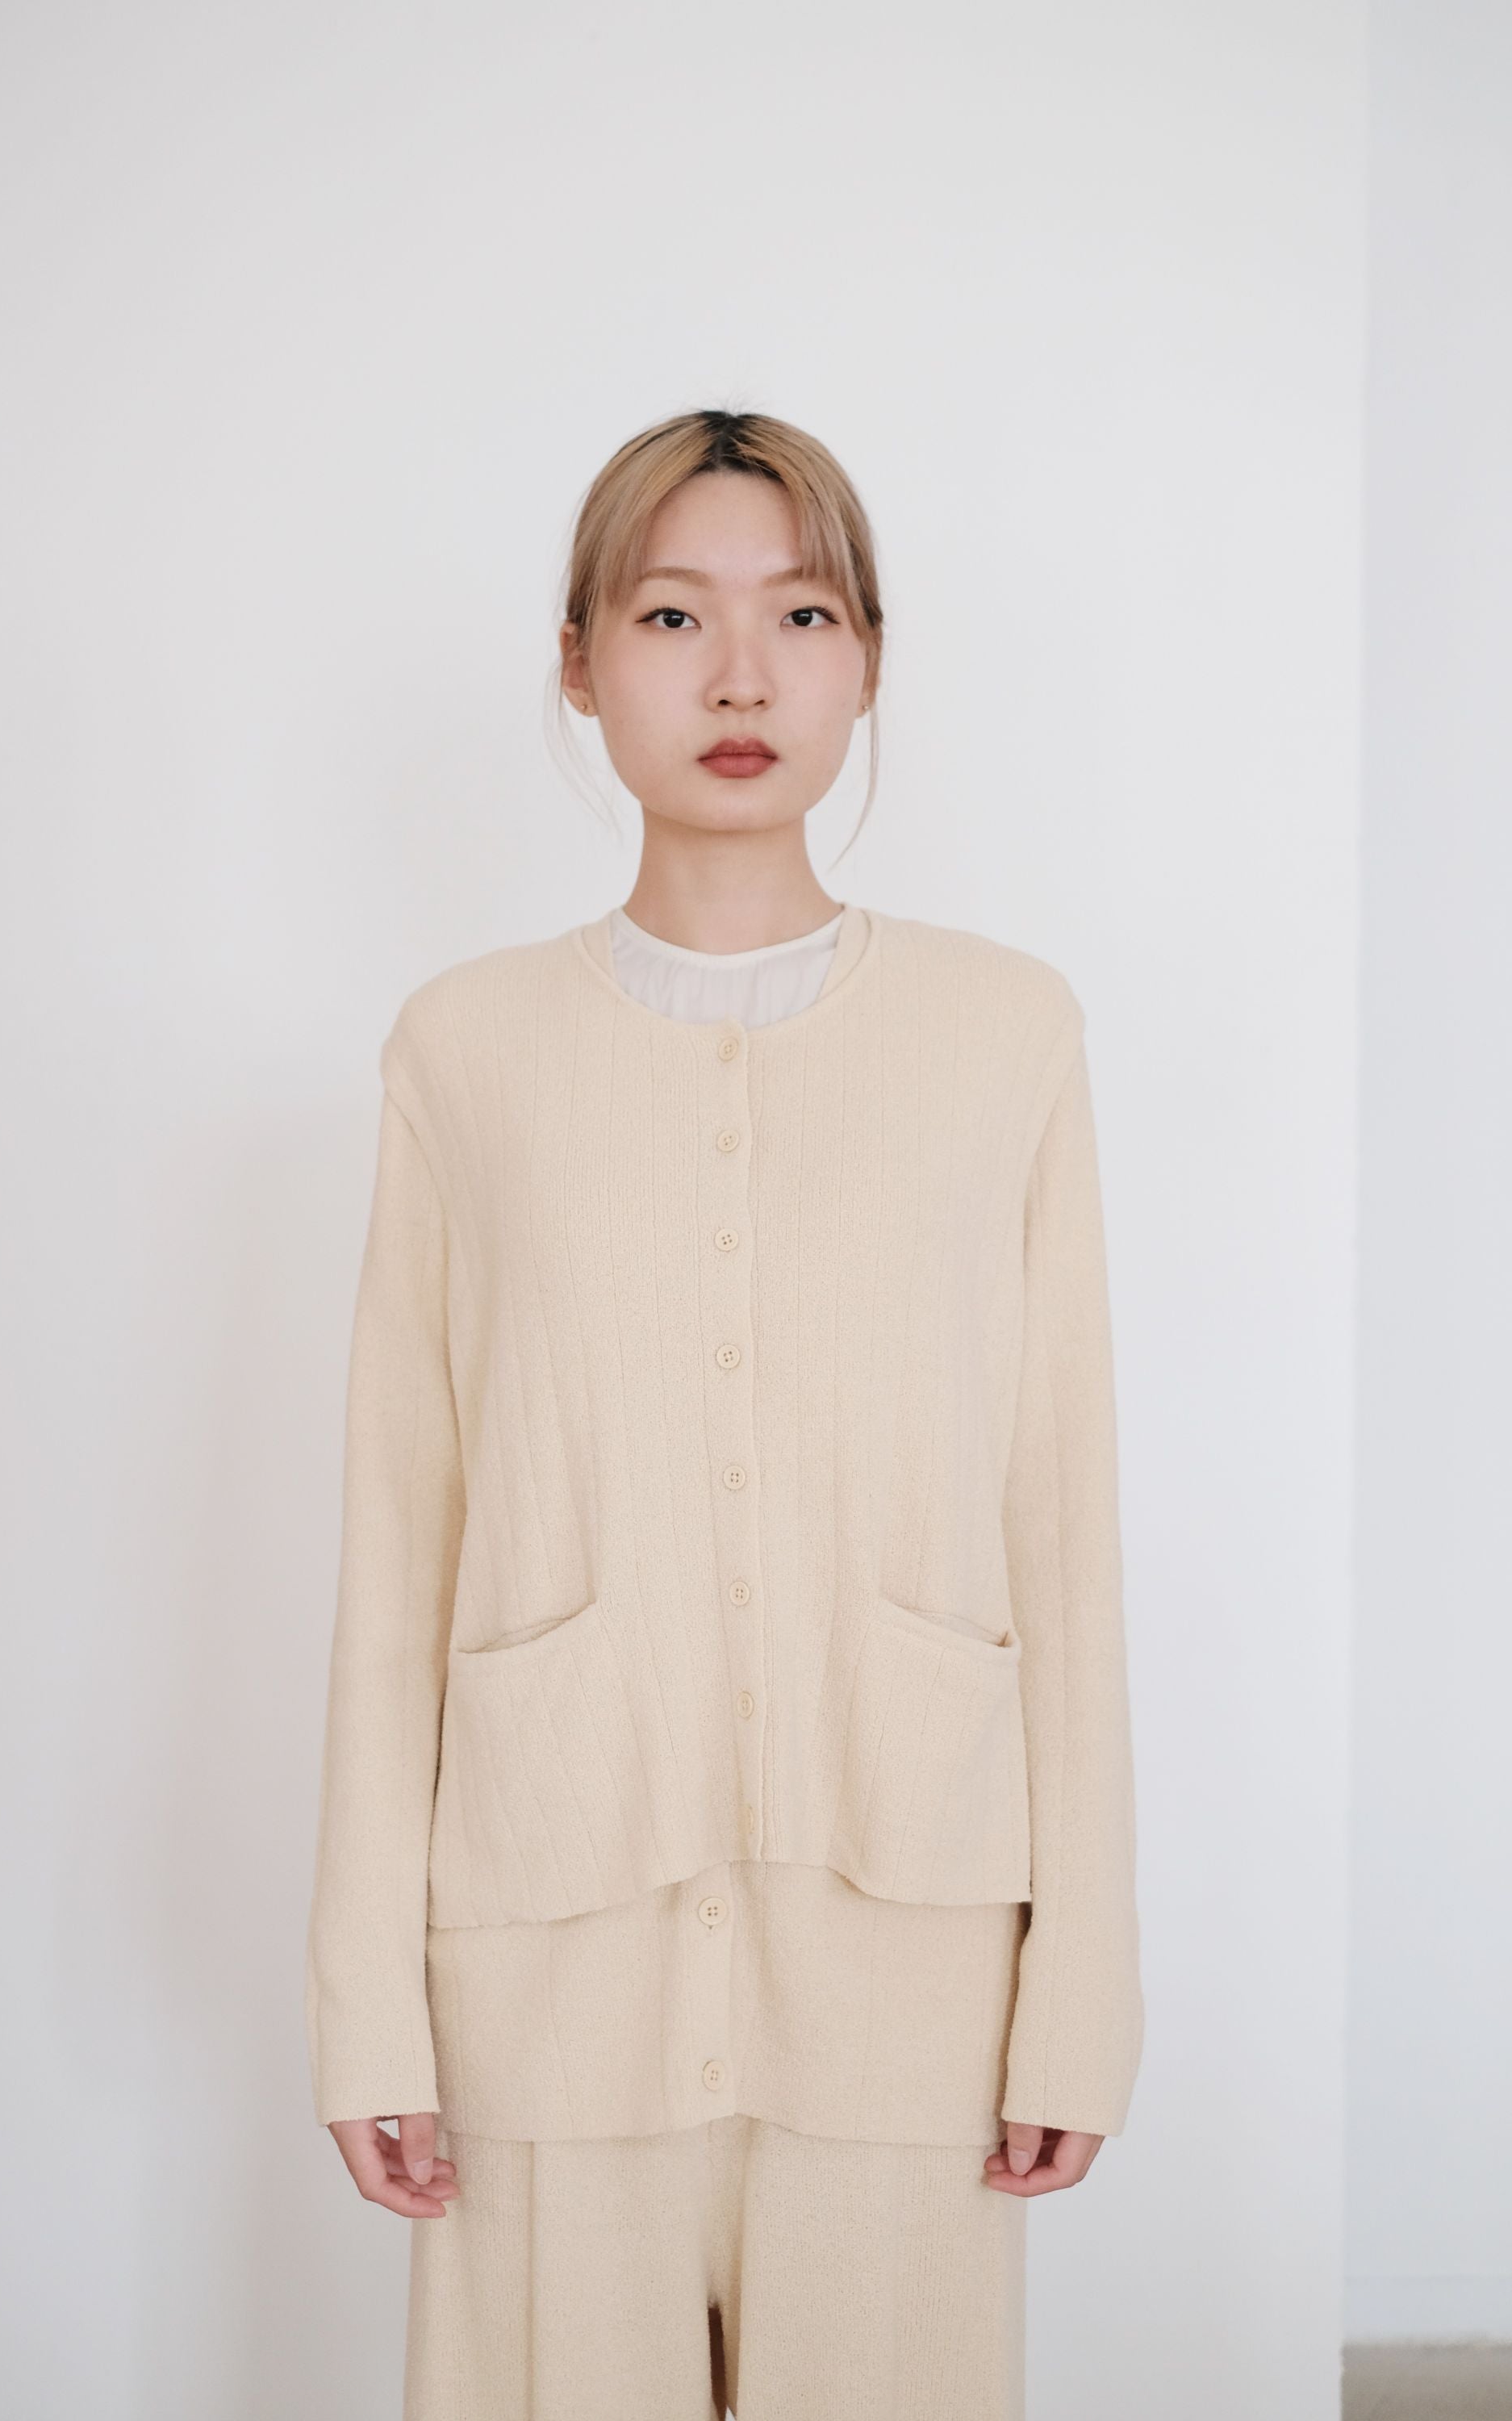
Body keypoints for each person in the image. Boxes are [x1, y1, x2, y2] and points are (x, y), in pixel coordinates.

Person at [303, 408, 1144, 2421]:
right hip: (543, 1972)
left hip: (909, 1975)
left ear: (870, 660)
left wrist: (1079, 1998)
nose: (741, 676)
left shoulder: (1006, 1034)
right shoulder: (464, 1051)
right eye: (674, 615)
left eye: (803, 616)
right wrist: (365, 2006)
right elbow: (400, 1545)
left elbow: (1060, 1528)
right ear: (581, 662)